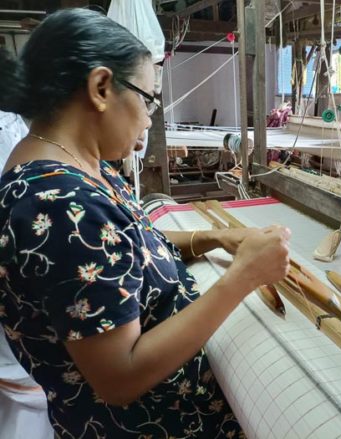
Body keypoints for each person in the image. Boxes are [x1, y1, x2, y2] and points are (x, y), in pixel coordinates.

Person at [0, 8, 290, 438]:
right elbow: (121, 377)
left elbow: (118, 248)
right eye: (148, 98)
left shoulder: (77, 169)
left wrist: (211, 237)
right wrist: (244, 276)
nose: (150, 115)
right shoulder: (60, 203)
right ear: (101, 87)